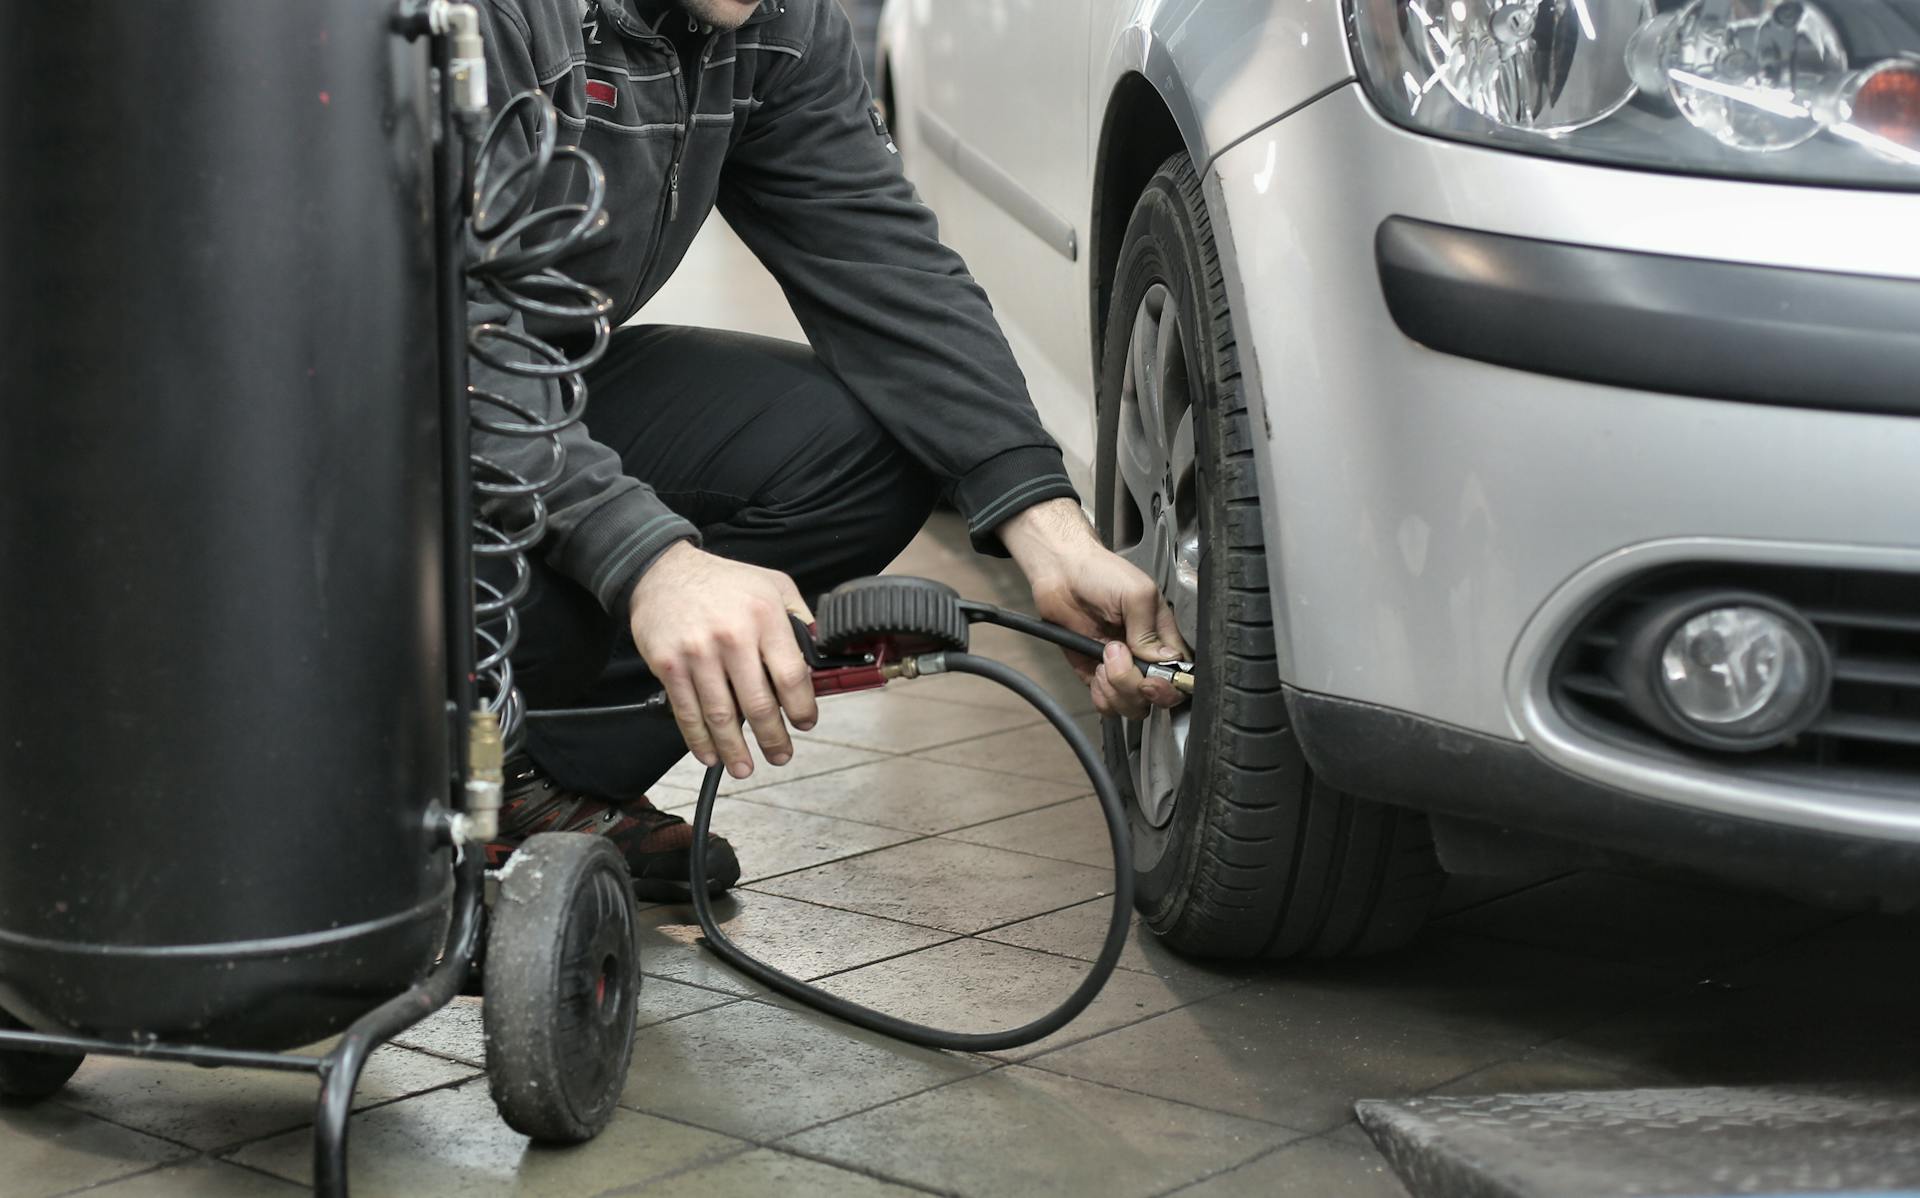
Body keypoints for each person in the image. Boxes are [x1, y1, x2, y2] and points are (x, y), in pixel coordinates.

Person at [472, 0, 1188, 900]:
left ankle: (522, 775)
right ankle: (367, 745)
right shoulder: (486, 17)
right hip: (338, 424)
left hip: (520, 384)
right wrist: (649, 560)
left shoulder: (767, 20)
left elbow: (880, 260)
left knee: (866, 447)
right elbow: (427, 330)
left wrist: (1049, 531)